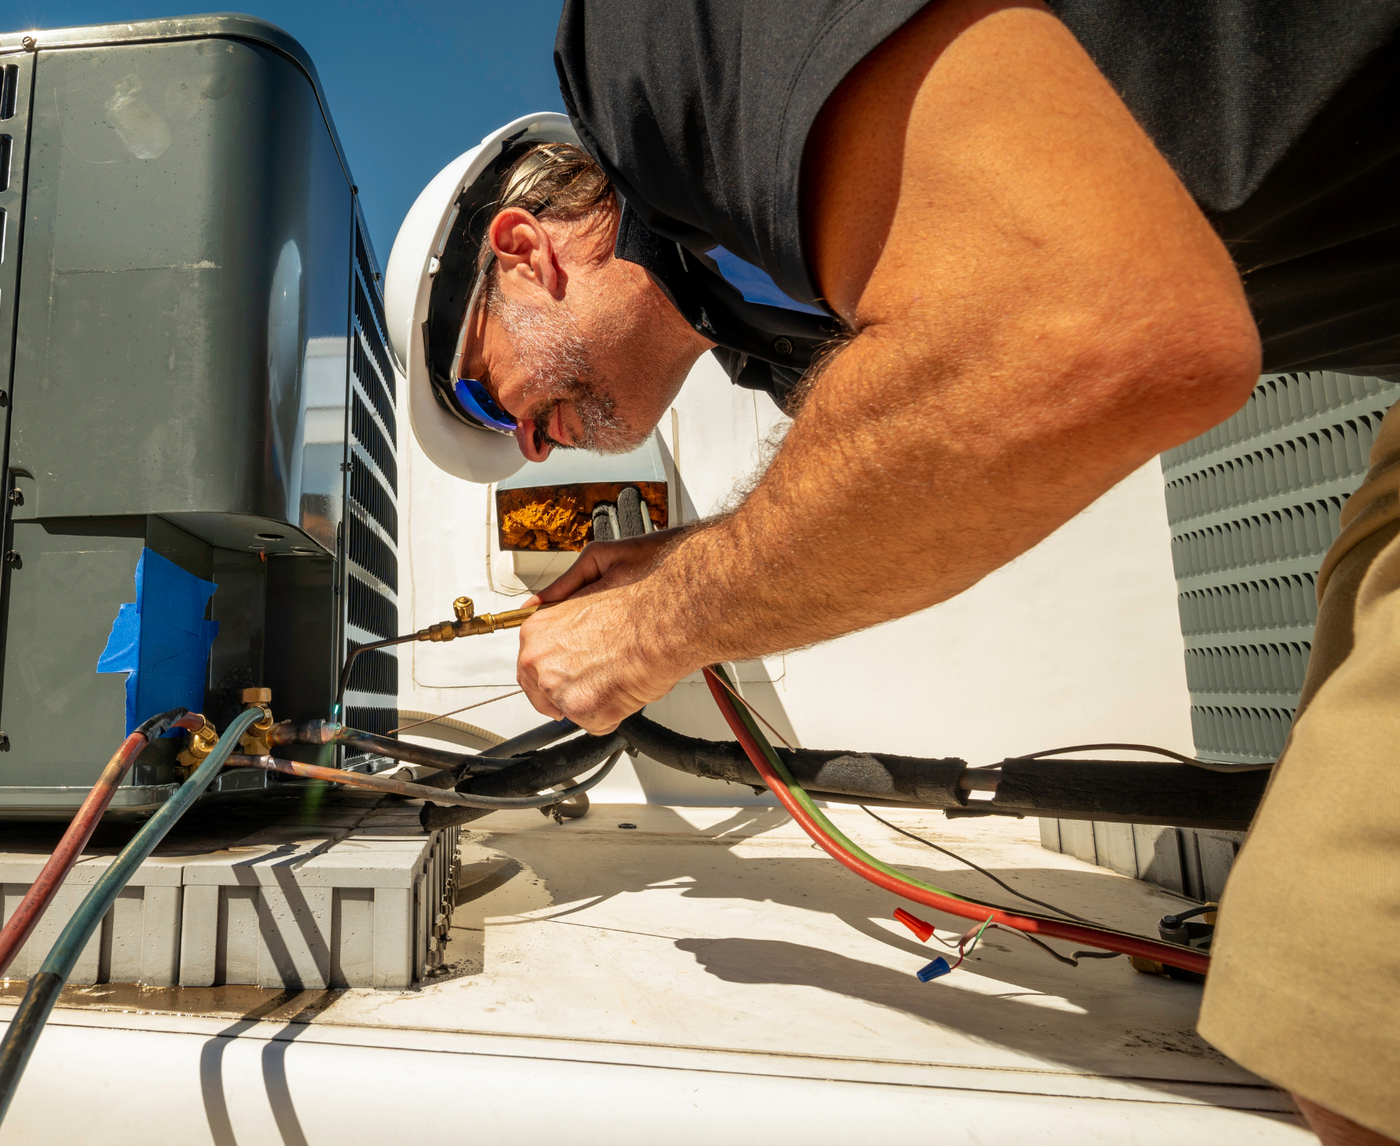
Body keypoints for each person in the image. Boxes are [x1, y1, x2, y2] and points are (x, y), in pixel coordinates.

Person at [381, 1, 1400, 1141]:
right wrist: (680, 566)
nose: (524, 443)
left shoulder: (660, 42)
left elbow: (1098, 334)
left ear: (522, 252)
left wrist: (653, 624)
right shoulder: (792, 336)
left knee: (1347, 1013)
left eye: (483, 390)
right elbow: (994, 432)